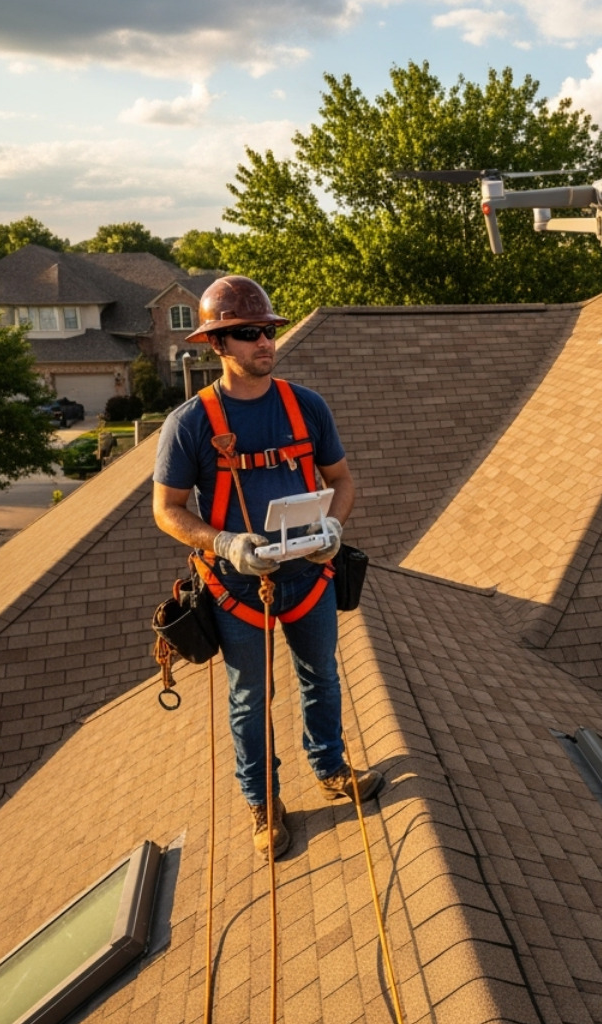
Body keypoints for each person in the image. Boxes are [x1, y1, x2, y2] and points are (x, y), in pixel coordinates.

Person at [152, 275, 382, 858]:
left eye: (268, 331)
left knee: (321, 676)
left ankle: (330, 766)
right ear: (217, 344)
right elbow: (167, 509)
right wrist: (225, 543)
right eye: (248, 333)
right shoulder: (192, 423)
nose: (264, 342)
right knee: (250, 697)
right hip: (237, 588)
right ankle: (262, 800)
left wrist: (334, 527)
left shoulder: (305, 407)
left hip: (309, 575)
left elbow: (341, 480)